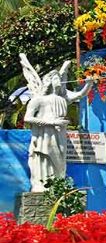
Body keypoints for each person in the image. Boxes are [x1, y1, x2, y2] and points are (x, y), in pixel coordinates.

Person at [21, 54, 93, 192]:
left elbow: (80, 95)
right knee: (44, 157)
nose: (58, 80)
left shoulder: (62, 98)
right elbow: (27, 118)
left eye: (59, 78)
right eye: (55, 78)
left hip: (60, 133)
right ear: (48, 81)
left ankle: (57, 185)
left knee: (60, 160)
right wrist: (50, 123)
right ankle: (41, 184)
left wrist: (89, 83)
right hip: (44, 134)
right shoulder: (39, 100)